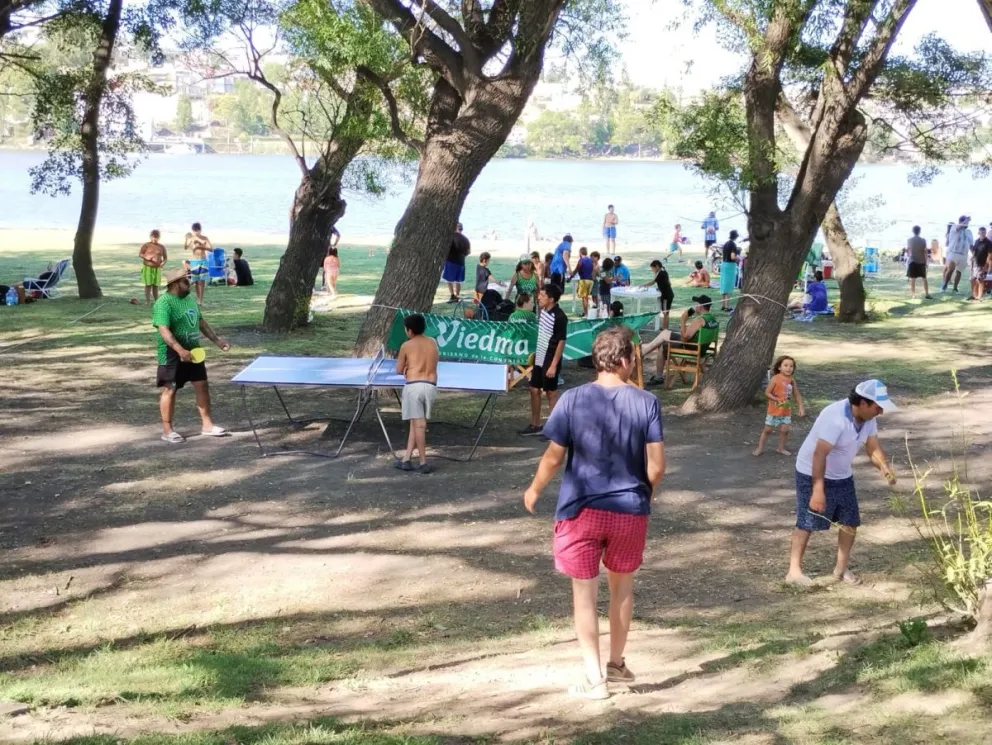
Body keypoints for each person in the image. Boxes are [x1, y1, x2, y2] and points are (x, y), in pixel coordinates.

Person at [523, 326, 665, 699]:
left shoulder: (571, 399)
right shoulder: (646, 402)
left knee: (584, 595)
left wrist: (534, 489)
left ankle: (594, 678)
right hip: (629, 510)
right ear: (625, 361)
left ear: (597, 361)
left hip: (580, 510)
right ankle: (616, 664)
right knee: (622, 588)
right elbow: (656, 466)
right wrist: (643, 494)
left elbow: (553, 456)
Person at [787, 380, 898, 587]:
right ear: (863, 403)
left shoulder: (868, 418)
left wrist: (884, 466)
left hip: (842, 475)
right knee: (807, 521)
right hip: (811, 471)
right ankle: (794, 572)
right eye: (878, 407)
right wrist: (817, 491)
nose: (881, 412)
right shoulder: (835, 417)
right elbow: (819, 454)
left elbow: (872, 446)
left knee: (850, 521)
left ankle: (841, 568)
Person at [153, 267, 231, 443]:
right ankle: (167, 430)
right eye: (186, 280)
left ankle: (207, 426)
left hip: (194, 351)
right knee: (170, 389)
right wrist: (180, 350)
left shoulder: (189, 299)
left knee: (202, 385)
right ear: (175, 284)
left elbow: (201, 322)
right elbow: (164, 330)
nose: (190, 282)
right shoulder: (163, 303)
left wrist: (217, 341)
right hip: (171, 353)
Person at [519, 285, 567, 437]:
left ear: (551, 299)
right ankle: (535, 425)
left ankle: (555, 430)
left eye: (543, 295)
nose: (538, 298)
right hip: (539, 356)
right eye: (539, 295)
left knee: (551, 393)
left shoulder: (560, 316)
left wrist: (553, 365)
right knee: (534, 389)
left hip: (550, 358)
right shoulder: (543, 311)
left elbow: (561, 342)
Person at [394, 313, 439, 474]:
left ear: (409, 330)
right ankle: (406, 459)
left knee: (419, 425)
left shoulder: (406, 345)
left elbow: (399, 369)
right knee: (416, 423)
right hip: (430, 386)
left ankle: (423, 462)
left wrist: (407, 368)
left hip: (413, 387)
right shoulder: (432, 342)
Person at [642, 295, 719, 386]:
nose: (694, 306)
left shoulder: (699, 320)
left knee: (664, 337)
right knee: (664, 340)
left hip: (692, 348)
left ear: (700, 306)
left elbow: (684, 338)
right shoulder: (712, 319)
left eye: (696, 304)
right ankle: (646, 354)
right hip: (702, 349)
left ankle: (646, 358)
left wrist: (683, 320)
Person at [753, 355, 805, 457]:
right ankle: (760, 448)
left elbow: (797, 394)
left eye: (791, 366)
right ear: (779, 367)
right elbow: (767, 393)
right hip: (774, 411)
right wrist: (776, 399)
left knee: (785, 430)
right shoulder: (775, 379)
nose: (789, 368)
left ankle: (780, 448)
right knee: (767, 430)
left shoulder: (791, 380)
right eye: (786, 365)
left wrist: (801, 407)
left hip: (786, 411)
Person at [640, 259, 674, 331]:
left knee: (665, 313)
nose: (652, 270)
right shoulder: (663, 271)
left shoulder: (661, 273)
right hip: (666, 294)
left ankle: (665, 329)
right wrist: (660, 288)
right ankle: (664, 327)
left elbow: (652, 282)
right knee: (665, 312)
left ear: (657, 266)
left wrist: (643, 286)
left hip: (666, 296)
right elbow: (668, 283)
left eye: (653, 268)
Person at [183, 222, 212, 306]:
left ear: (200, 230)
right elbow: (185, 247)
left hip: (203, 260)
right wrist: (186, 239)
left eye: (197, 230)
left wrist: (200, 246)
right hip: (195, 261)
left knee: (202, 281)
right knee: (196, 281)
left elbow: (211, 249)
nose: (196, 232)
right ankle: (198, 299)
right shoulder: (192, 239)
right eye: (194, 230)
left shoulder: (204, 238)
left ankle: (201, 300)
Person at [443, 222, 471, 303]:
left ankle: (452, 295)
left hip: (451, 261)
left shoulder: (451, 237)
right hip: (461, 261)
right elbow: (468, 251)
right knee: (458, 281)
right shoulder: (466, 239)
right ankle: (457, 296)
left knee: (449, 280)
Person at [138, 229, 167, 304]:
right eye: (153, 237)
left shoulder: (161, 247)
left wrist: (163, 263)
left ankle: (156, 301)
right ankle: (148, 301)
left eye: (156, 237)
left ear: (159, 237)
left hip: (157, 268)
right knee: (148, 284)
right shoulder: (146, 245)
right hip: (148, 267)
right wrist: (146, 257)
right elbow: (140, 254)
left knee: (155, 285)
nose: (155, 238)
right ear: (150, 237)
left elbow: (165, 258)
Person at [943, 216, 971, 293]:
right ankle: (945, 284)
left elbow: (971, 243)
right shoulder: (954, 227)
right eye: (966, 222)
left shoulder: (968, 231)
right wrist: (966, 220)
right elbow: (958, 228)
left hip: (963, 254)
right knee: (950, 269)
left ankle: (955, 288)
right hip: (954, 253)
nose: (967, 224)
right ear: (961, 222)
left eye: (967, 222)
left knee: (959, 271)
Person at [905, 226, 931, 300]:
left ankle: (913, 295)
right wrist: (926, 261)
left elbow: (908, 251)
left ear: (913, 231)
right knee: (924, 278)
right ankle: (927, 294)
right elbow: (925, 252)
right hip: (921, 261)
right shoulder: (923, 240)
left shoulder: (909, 240)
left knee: (913, 279)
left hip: (912, 260)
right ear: (919, 231)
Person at [968, 226, 992, 302]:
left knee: (980, 280)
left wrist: (986, 266)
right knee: (973, 279)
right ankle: (974, 295)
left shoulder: (988, 242)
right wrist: (971, 248)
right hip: (974, 263)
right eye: (981, 232)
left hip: (982, 264)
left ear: (985, 233)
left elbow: (990, 255)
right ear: (978, 233)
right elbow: (974, 252)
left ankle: (980, 296)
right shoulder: (976, 241)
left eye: (984, 232)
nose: (982, 234)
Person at [570, 246, 595, 317]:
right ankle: (587, 311)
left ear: (580, 253)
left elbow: (576, 270)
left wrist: (570, 277)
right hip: (590, 281)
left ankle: (586, 313)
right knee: (586, 297)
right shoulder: (590, 260)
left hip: (584, 280)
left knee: (584, 298)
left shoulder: (581, 261)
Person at [719, 230, 739, 311]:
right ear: (736, 237)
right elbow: (732, 257)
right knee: (729, 285)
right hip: (730, 266)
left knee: (723, 285)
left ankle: (723, 305)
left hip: (724, 264)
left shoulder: (726, 243)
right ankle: (727, 307)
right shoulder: (733, 245)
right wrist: (739, 258)